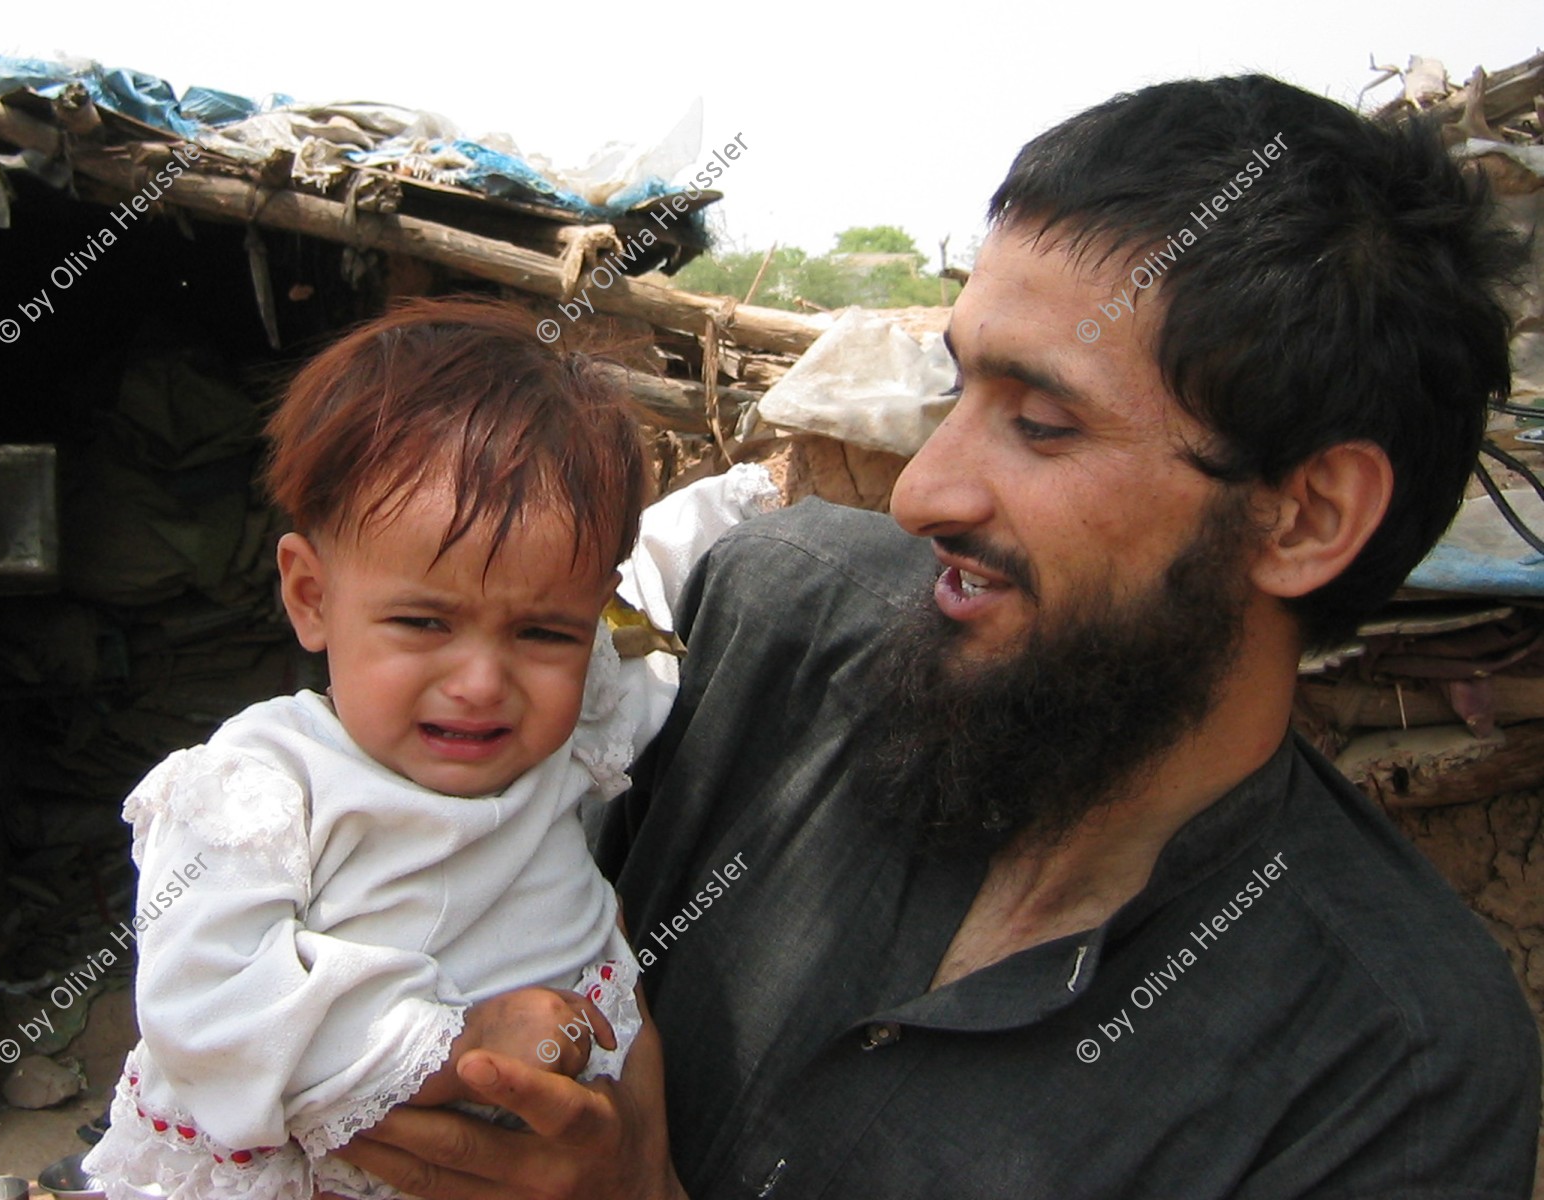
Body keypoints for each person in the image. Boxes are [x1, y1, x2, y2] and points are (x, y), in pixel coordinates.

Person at [332, 76, 1541, 1199]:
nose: (921, 495)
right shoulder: (769, 619)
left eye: (1045, 423)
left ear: (1307, 516)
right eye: (957, 387)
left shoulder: (1397, 1072)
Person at [81, 297, 777, 1200]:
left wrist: (756, 496)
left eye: (543, 633)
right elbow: (208, 1011)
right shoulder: (262, 789)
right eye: (423, 622)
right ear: (310, 594)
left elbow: (650, 580)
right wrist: (463, 1049)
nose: (483, 682)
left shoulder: (564, 739)